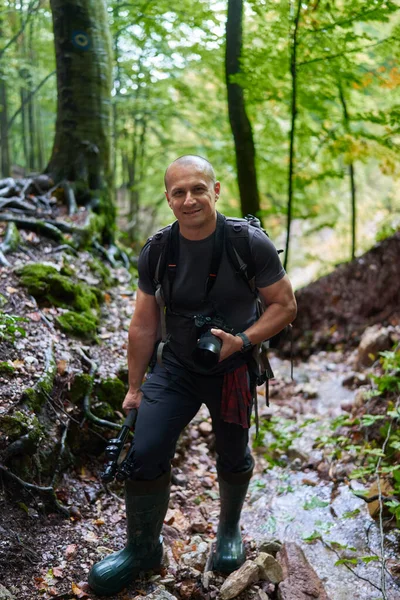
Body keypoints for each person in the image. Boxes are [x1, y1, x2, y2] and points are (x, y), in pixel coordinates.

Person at [88, 155, 297, 596]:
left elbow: (285, 306)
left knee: (233, 454)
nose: (189, 199)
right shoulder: (158, 250)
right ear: (168, 198)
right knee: (143, 451)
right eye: (179, 192)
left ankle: (228, 533)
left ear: (216, 191)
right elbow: (144, 323)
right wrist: (133, 387)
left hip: (233, 367)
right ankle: (143, 550)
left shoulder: (248, 243)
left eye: (198, 189)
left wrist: (241, 340)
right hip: (177, 366)